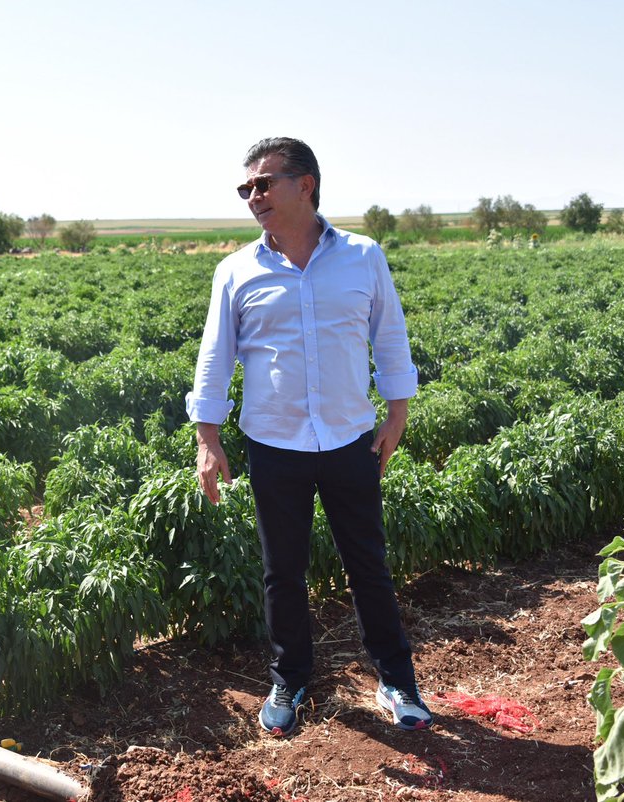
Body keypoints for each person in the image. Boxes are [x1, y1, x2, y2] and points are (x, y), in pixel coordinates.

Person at [186, 137, 431, 737]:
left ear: (306, 185)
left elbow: (390, 336)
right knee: (283, 572)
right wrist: (207, 438)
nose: (253, 197)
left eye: (264, 184)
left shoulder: (362, 256)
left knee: (367, 564)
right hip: (273, 444)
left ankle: (398, 681)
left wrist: (397, 413)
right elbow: (215, 358)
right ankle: (290, 680)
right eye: (246, 188)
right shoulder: (236, 270)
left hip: (351, 439)